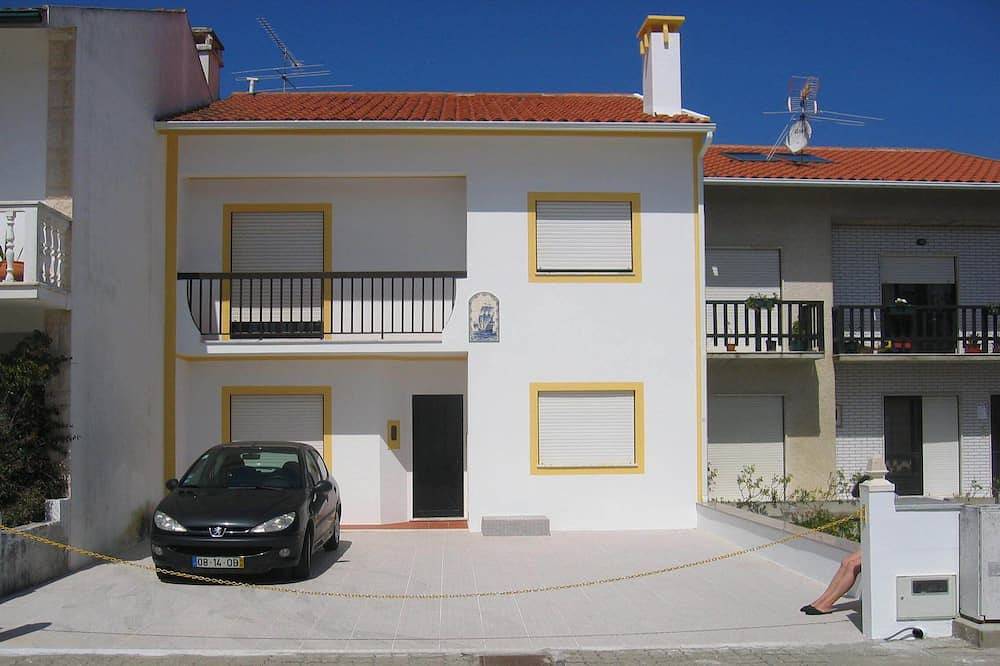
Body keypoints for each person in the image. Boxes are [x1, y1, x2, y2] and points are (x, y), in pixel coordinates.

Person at [800, 474, 871, 616]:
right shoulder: (872, 507)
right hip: (875, 544)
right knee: (846, 562)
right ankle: (821, 601)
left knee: (853, 566)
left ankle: (826, 604)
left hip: (887, 548)